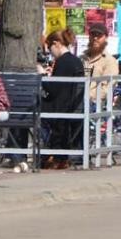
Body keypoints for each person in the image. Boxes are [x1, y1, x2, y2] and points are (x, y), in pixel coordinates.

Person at [40, 28, 85, 169]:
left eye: (50, 48)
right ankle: (51, 153)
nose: (50, 53)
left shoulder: (62, 62)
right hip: (72, 106)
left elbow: (53, 90)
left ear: (57, 44)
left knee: (26, 108)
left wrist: (43, 76)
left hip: (59, 107)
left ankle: (20, 153)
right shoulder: (76, 61)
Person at [81, 22, 119, 102]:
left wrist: (88, 97)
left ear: (106, 37)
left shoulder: (109, 61)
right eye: (93, 35)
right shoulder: (81, 58)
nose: (95, 38)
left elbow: (106, 88)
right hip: (77, 104)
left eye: (99, 35)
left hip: (96, 107)